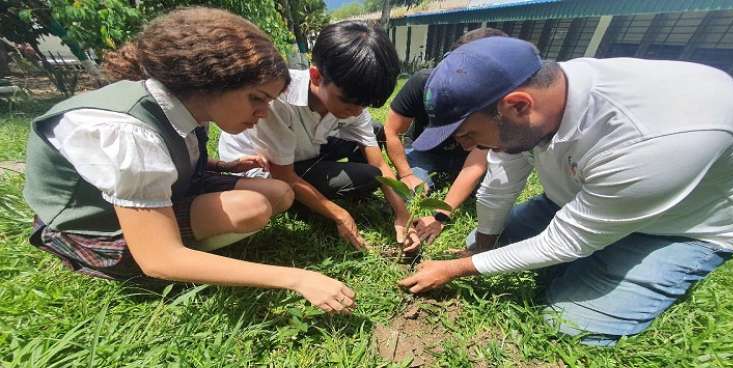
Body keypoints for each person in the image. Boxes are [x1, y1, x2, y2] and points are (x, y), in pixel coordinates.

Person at [399, 36, 733, 345]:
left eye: (469, 135)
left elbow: (566, 242)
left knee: (569, 322)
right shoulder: (543, 95)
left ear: (518, 106)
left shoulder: (651, 136)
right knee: (484, 243)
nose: (465, 146)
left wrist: (457, 269)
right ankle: (594, 249)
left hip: (678, 228)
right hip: (585, 198)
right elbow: (501, 183)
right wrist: (483, 245)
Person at [23, 8, 356, 314]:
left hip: (158, 195)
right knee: (250, 208)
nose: (263, 112)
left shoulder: (186, 104)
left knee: (279, 193)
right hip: (93, 224)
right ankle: (180, 260)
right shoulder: (127, 131)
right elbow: (158, 258)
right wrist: (296, 279)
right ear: (209, 80)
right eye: (256, 98)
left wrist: (219, 166)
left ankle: (191, 247)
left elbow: (161, 159)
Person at [219, 21, 418, 252]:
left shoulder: (352, 102)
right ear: (316, 76)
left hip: (302, 149)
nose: (356, 111)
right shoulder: (277, 101)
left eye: (364, 104)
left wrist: (401, 213)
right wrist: (339, 214)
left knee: (373, 131)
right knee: (367, 177)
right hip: (266, 169)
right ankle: (304, 203)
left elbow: (378, 161)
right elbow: (284, 175)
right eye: (349, 102)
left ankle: (327, 185)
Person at [382, 27, 506, 244]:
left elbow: (475, 164)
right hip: (425, 150)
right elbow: (391, 131)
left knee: (488, 190)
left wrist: (440, 216)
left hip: (464, 160)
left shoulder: (497, 103)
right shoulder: (423, 83)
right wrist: (406, 174)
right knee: (413, 189)